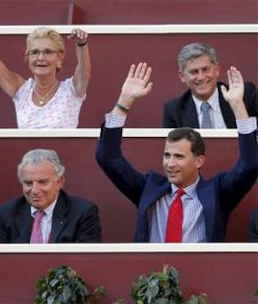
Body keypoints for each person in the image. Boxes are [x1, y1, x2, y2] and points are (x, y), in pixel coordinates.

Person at [96, 62, 257, 242]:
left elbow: (249, 165)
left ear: (198, 161)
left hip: (202, 270)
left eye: (179, 156)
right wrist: (123, 103)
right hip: (152, 270)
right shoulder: (149, 189)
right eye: (167, 155)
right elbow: (107, 157)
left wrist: (238, 107)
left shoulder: (217, 192)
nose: (170, 164)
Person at [0, 26, 91, 128]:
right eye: (34, 52)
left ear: (59, 57)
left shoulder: (71, 90)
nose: (41, 58)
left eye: (48, 52)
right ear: (27, 57)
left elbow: (84, 69)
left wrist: (81, 44)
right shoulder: (21, 90)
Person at [0, 149, 102, 243]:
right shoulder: (8, 212)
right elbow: (1, 260)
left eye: (43, 182)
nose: (35, 190)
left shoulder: (83, 213)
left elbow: (86, 261)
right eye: (28, 183)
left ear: (59, 182)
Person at [163, 42, 258, 128]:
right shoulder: (174, 110)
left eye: (206, 70)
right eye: (194, 72)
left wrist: (238, 105)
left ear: (217, 70)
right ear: (182, 76)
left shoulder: (244, 95)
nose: (201, 77)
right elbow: (172, 146)